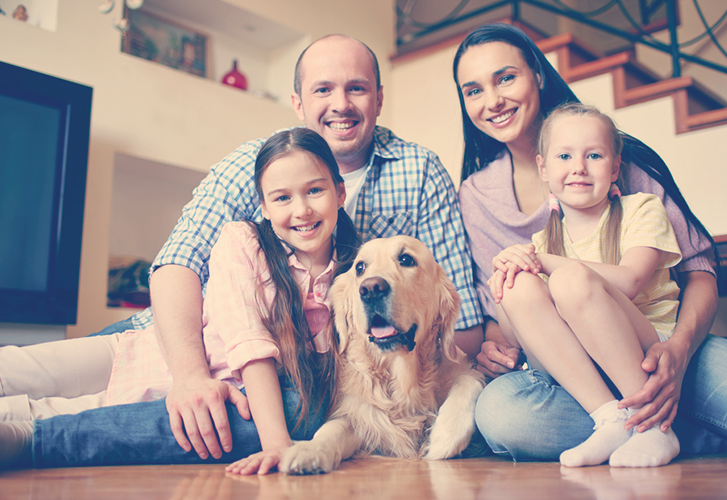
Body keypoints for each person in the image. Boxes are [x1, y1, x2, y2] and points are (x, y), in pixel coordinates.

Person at [9, 34, 482, 469]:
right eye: (323, 90)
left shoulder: (418, 173)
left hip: (285, 373)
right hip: (178, 336)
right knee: (29, 373)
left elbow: (455, 313)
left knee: (296, 405)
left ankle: (27, 436)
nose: (340, 104)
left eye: (357, 88)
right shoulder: (257, 170)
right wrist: (191, 375)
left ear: (379, 97)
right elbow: (179, 265)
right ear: (298, 102)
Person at [454, 23, 727, 462]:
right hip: (575, 378)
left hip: (660, 349)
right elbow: (506, 313)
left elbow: (699, 272)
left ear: (538, 76)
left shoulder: (615, 157)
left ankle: (670, 426)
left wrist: (677, 351)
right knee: (503, 414)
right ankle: (664, 429)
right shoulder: (476, 196)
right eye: (473, 90)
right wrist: (495, 343)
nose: (493, 100)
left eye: (506, 77)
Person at [0, 128, 359, 472]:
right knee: (18, 369)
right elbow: (249, 343)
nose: (302, 210)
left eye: (315, 191)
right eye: (282, 197)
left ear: (340, 194)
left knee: (37, 415)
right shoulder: (243, 241)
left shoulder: (353, 277)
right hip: (149, 352)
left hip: (188, 402)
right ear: (263, 206)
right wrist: (277, 445)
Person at [489, 103, 682, 467]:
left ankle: (654, 428)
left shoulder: (642, 208)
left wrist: (544, 262)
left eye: (593, 155)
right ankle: (609, 419)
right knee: (519, 283)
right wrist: (505, 276)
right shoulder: (542, 241)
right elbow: (515, 337)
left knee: (570, 279)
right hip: (586, 363)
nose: (578, 167)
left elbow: (630, 281)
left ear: (615, 167)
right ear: (543, 168)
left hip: (648, 349)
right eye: (564, 156)